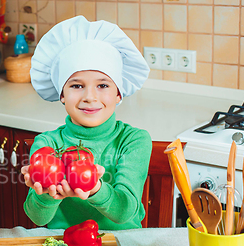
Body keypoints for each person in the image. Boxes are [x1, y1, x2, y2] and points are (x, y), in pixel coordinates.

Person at [21, 16, 152, 230]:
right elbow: (38, 218)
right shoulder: (47, 143)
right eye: (76, 86)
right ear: (61, 94)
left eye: (102, 85)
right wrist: (45, 195)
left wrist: (95, 188)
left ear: (119, 94)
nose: (90, 97)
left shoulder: (134, 140)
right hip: (63, 245)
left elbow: (124, 211)